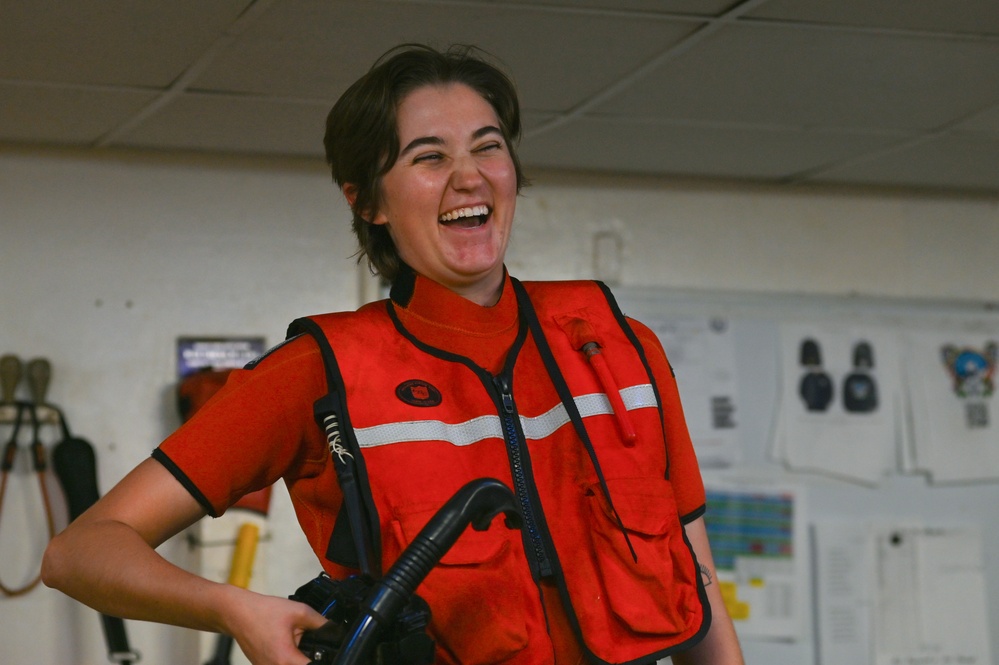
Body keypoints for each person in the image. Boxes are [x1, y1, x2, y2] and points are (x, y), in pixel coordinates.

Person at [43, 43, 744, 665]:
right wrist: (233, 608)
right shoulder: (318, 371)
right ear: (366, 199)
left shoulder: (619, 347)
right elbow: (80, 551)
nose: (467, 176)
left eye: (487, 145)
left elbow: (697, 587)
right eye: (429, 156)